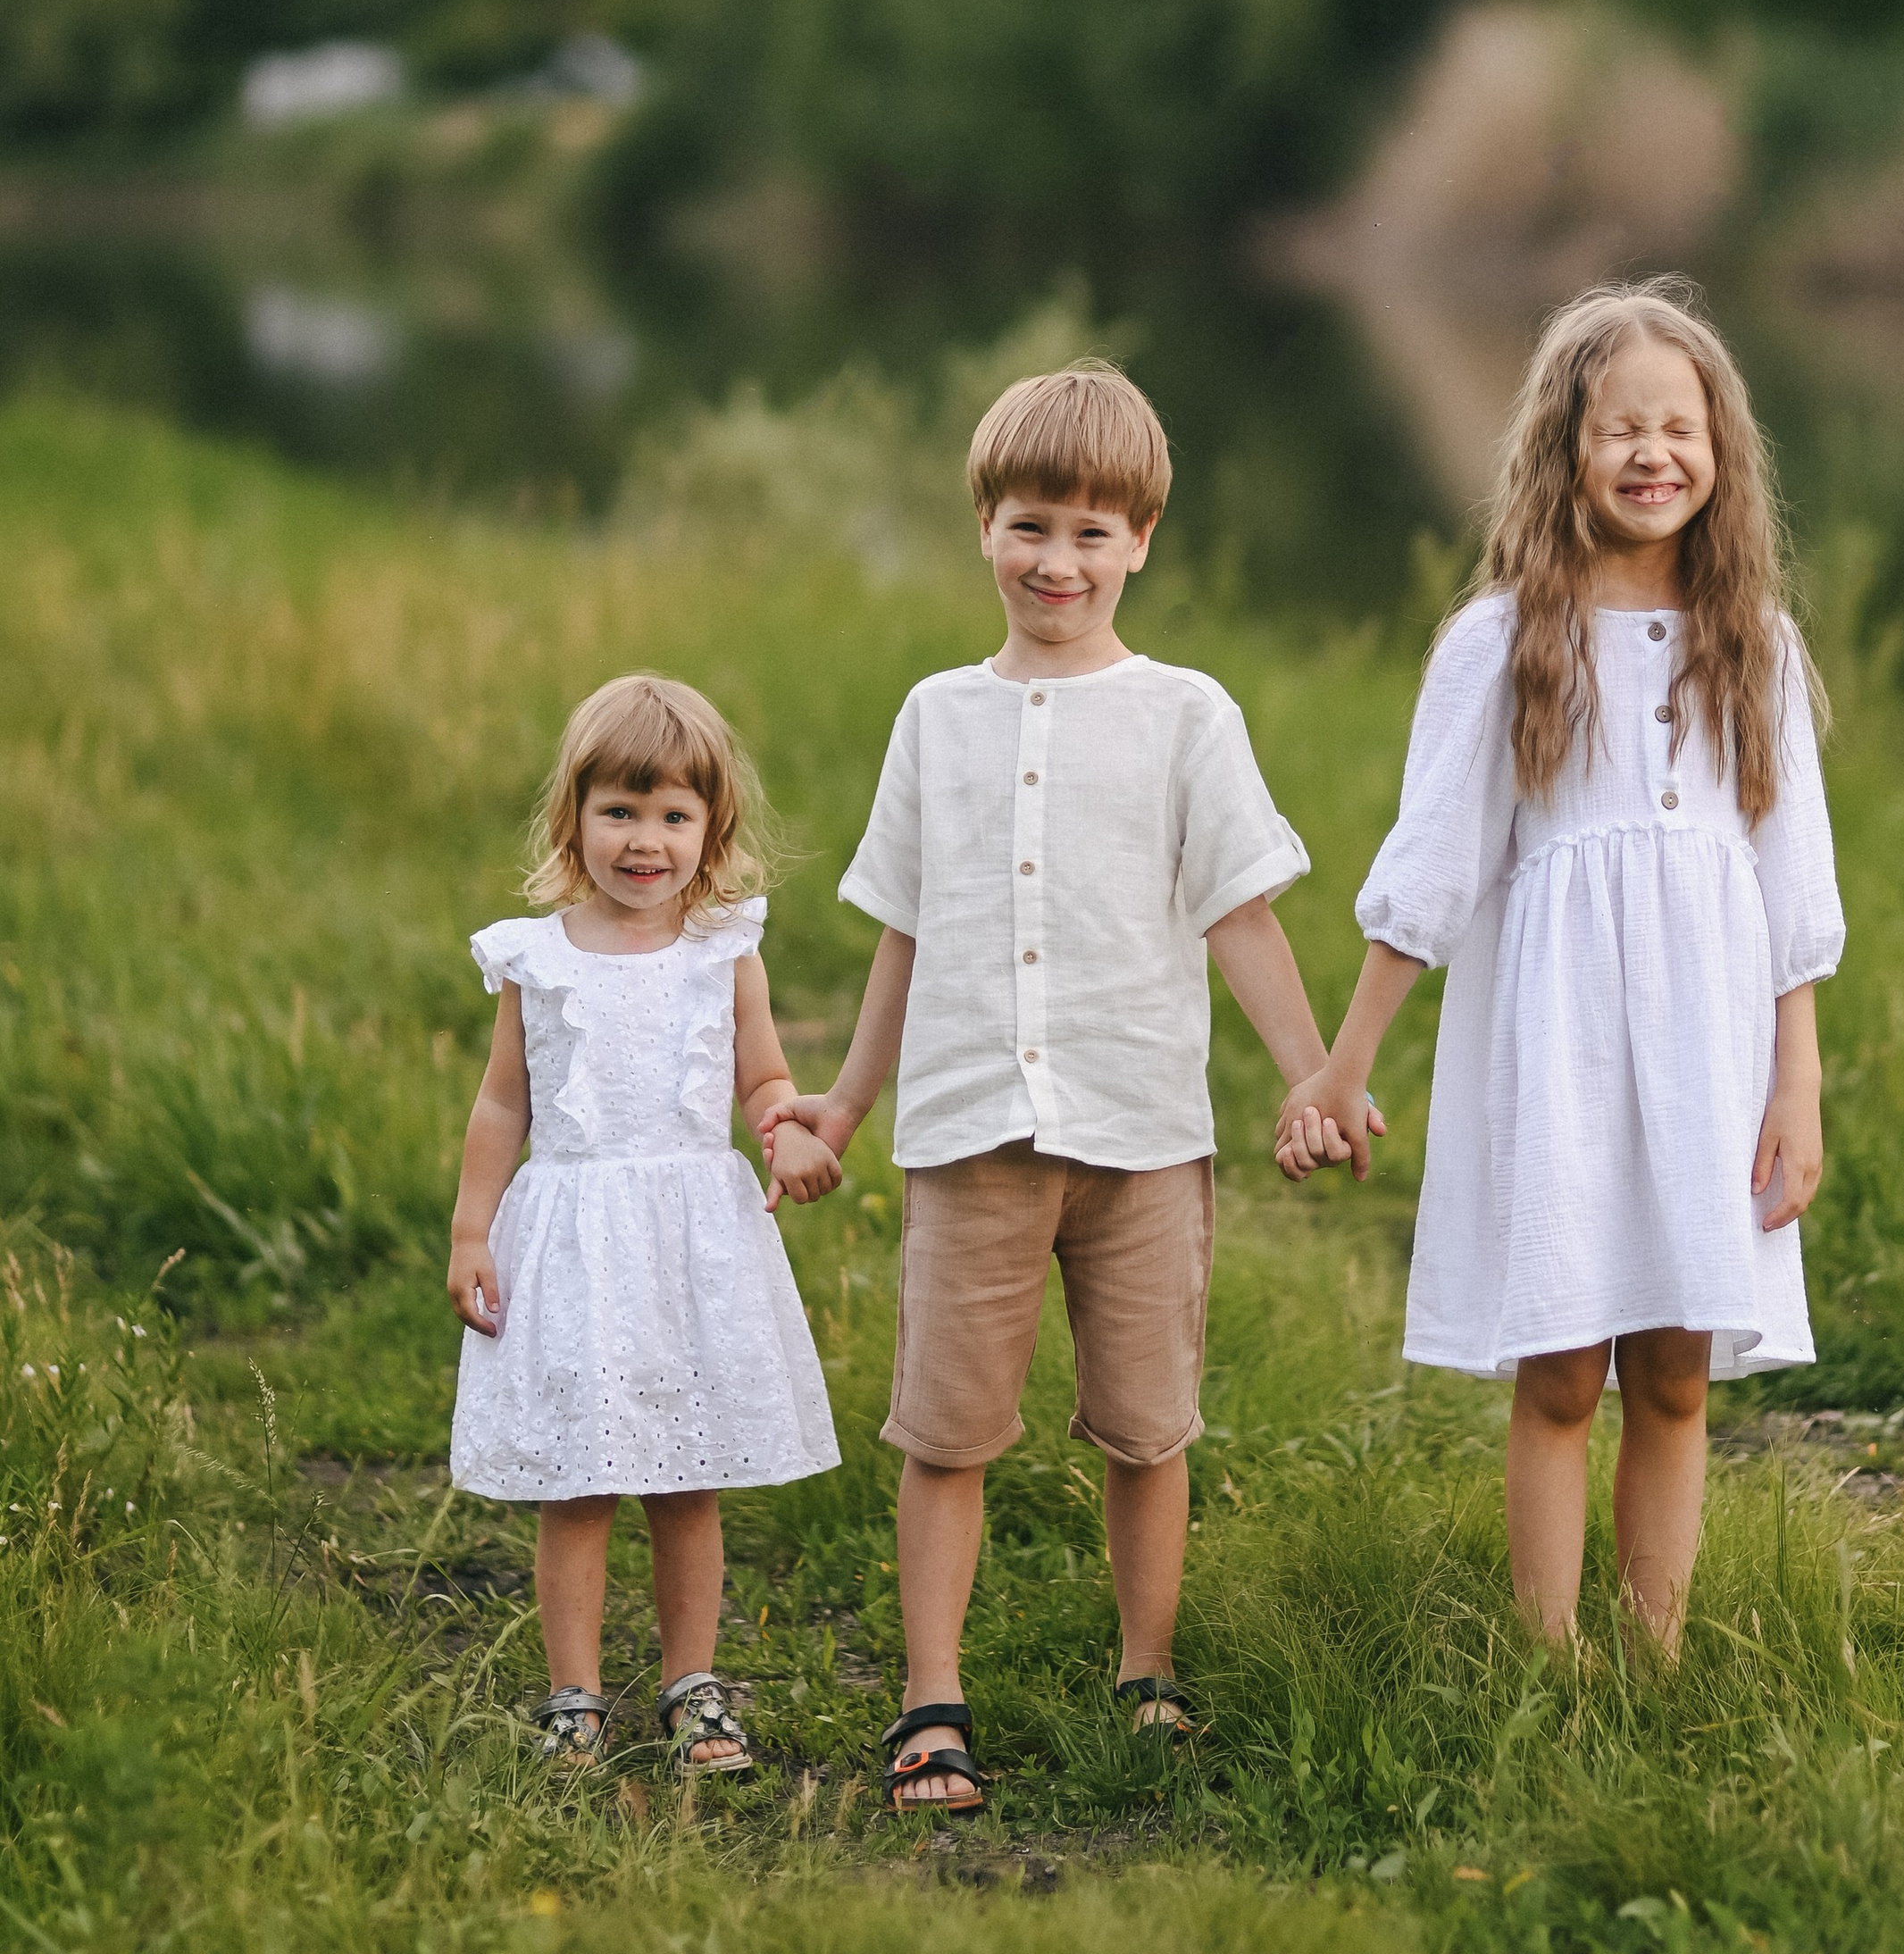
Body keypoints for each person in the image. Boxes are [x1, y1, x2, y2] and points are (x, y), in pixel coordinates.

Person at [763, 361, 1342, 1812]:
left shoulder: (1186, 713)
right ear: (985, 526)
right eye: (1031, 525)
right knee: (946, 1427)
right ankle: (930, 1697)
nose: (1058, 560)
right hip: (969, 1130)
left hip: (1142, 1131)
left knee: (1150, 1424)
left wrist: (1314, 1075)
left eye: (1092, 531)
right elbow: (906, 931)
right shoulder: (935, 716)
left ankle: (1147, 1673)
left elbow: (1239, 914)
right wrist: (845, 1102)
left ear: (1141, 539)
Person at [1276, 280, 1843, 1658]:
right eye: (1621, 429)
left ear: (1721, 450)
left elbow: (1791, 885)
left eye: (1680, 429)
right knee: (1563, 1371)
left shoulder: (1754, 643)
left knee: (1677, 1372)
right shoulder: (1502, 640)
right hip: (1561, 1043)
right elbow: (1432, 867)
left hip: (1710, 1054)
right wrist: (1342, 1065)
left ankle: (1654, 1651)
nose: (1654, 455)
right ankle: (1550, 1658)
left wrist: (1799, 1083)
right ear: (1564, 449)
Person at [447, 673, 843, 1774]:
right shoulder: (537, 957)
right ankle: (573, 1694)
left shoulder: (723, 948)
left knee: (684, 1473)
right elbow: (503, 1103)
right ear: (572, 814)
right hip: (575, 1238)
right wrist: (472, 1229)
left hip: (687, 1244)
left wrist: (786, 1130)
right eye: (620, 809)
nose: (644, 839)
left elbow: (763, 1076)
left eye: (674, 813)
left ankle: (691, 1683)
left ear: (712, 825)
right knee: (576, 1480)